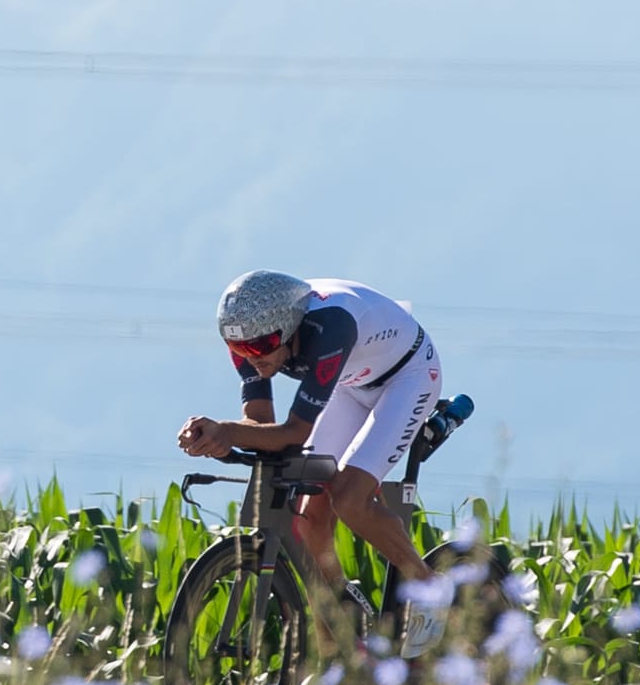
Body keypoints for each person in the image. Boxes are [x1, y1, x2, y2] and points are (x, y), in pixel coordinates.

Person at [176, 270, 449, 659]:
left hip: (409, 376)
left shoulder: (330, 328)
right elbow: (261, 427)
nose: (255, 359)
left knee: (349, 497)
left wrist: (228, 431)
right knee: (307, 513)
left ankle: (429, 588)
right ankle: (341, 631)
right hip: (352, 385)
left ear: (288, 329)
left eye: (264, 345)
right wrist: (219, 439)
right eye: (240, 350)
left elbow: (294, 433)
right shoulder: (251, 342)